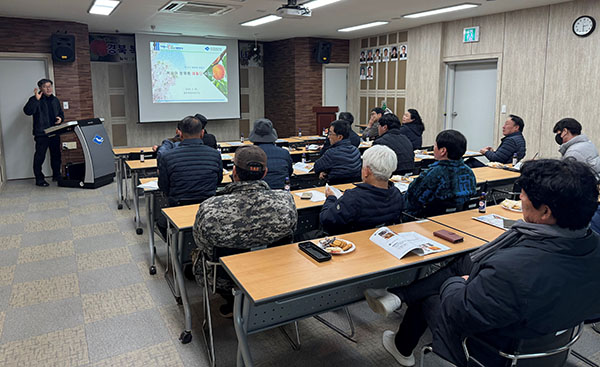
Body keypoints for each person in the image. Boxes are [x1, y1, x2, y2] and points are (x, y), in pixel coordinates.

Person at [364, 159, 600, 367]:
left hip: (495, 349)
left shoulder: (511, 268)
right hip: (550, 342)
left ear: (545, 212)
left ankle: (402, 345)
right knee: (464, 261)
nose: (520, 197)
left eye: (524, 194)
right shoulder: (593, 246)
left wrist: (460, 284)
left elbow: (459, 311)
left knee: (434, 295)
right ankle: (399, 297)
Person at [193, 145, 297, 317]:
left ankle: (233, 301)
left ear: (234, 172)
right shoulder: (286, 200)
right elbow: (292, 232)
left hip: (225, 278)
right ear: (265, 173)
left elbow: (202, 244)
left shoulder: (210, 207)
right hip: (274, 270)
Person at [320, 145, 404, 235]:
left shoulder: (353, 198)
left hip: (354, 242)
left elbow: (326, 220)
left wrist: (331, 198)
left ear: (366, 171)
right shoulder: (396, 194)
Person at [404, 130, 476, 217]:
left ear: (443, 151)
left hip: (428, 221)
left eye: (435, 145)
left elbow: (412, 200)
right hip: (458, 219)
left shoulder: (433, 174)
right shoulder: (469, 172)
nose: (433, 148)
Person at [158, 116, 222, 206]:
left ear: (180, 134)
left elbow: (163, 186)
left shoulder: (167, 156)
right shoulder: (215, 154)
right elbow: (218, 180)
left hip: (178, 206)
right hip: (209, 205)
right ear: (202, 133)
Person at [23, 78, 64, 186]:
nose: (48, 88)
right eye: (46, 87)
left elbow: (60, 113)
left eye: (50, 86)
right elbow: (27, 111)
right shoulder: (35, 99)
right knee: (40, 156)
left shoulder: (55, 100)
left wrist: (60, 118)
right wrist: (36, 100)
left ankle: (57, 175)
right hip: (42, 133)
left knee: (56, 155)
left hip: (55, 131)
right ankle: (39, 179)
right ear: (40, 88)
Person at [248, 118, 293, 189]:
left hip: (258, 194)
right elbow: (289, 172)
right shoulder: (284, 153)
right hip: (282, 193)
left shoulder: (249, 154)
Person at [314, 120, 362, 184]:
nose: (328, 137)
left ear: (340, 137)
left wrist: (325, 172)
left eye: (330, 134)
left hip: (335, 188)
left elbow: (317, 166)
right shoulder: (356, 150)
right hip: (354, 187)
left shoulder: (332, 153)